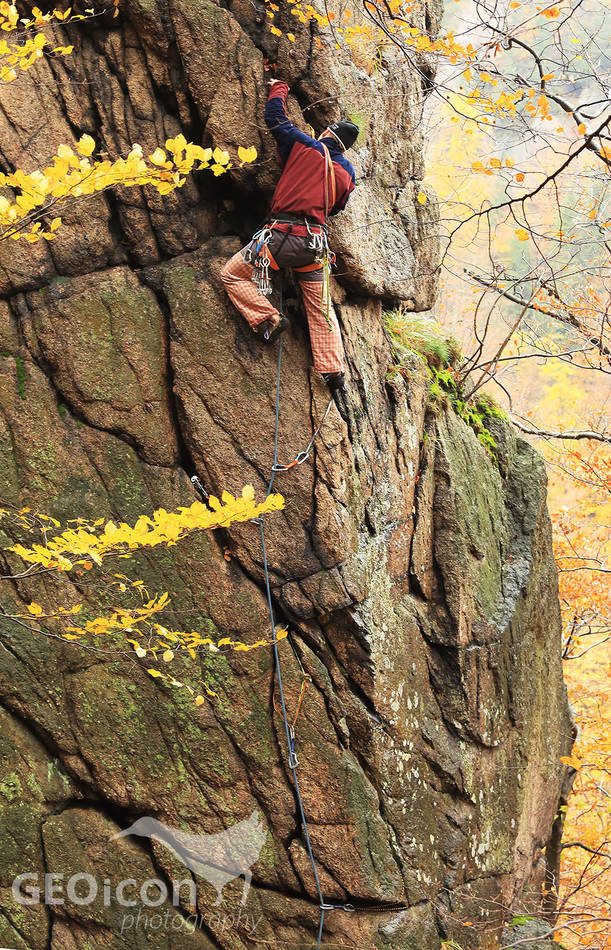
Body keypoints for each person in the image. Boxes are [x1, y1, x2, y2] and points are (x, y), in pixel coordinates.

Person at [220, 78, 359, 392]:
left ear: (326, 134)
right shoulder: (347, 173)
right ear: (344, 148)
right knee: (320, 307)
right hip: (315, 247)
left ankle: (269, 318)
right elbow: (335, 208)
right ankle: (333, 371)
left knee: (232, 275)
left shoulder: (303, 145)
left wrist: (278, 85)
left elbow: (275, 118)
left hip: (279, 239)